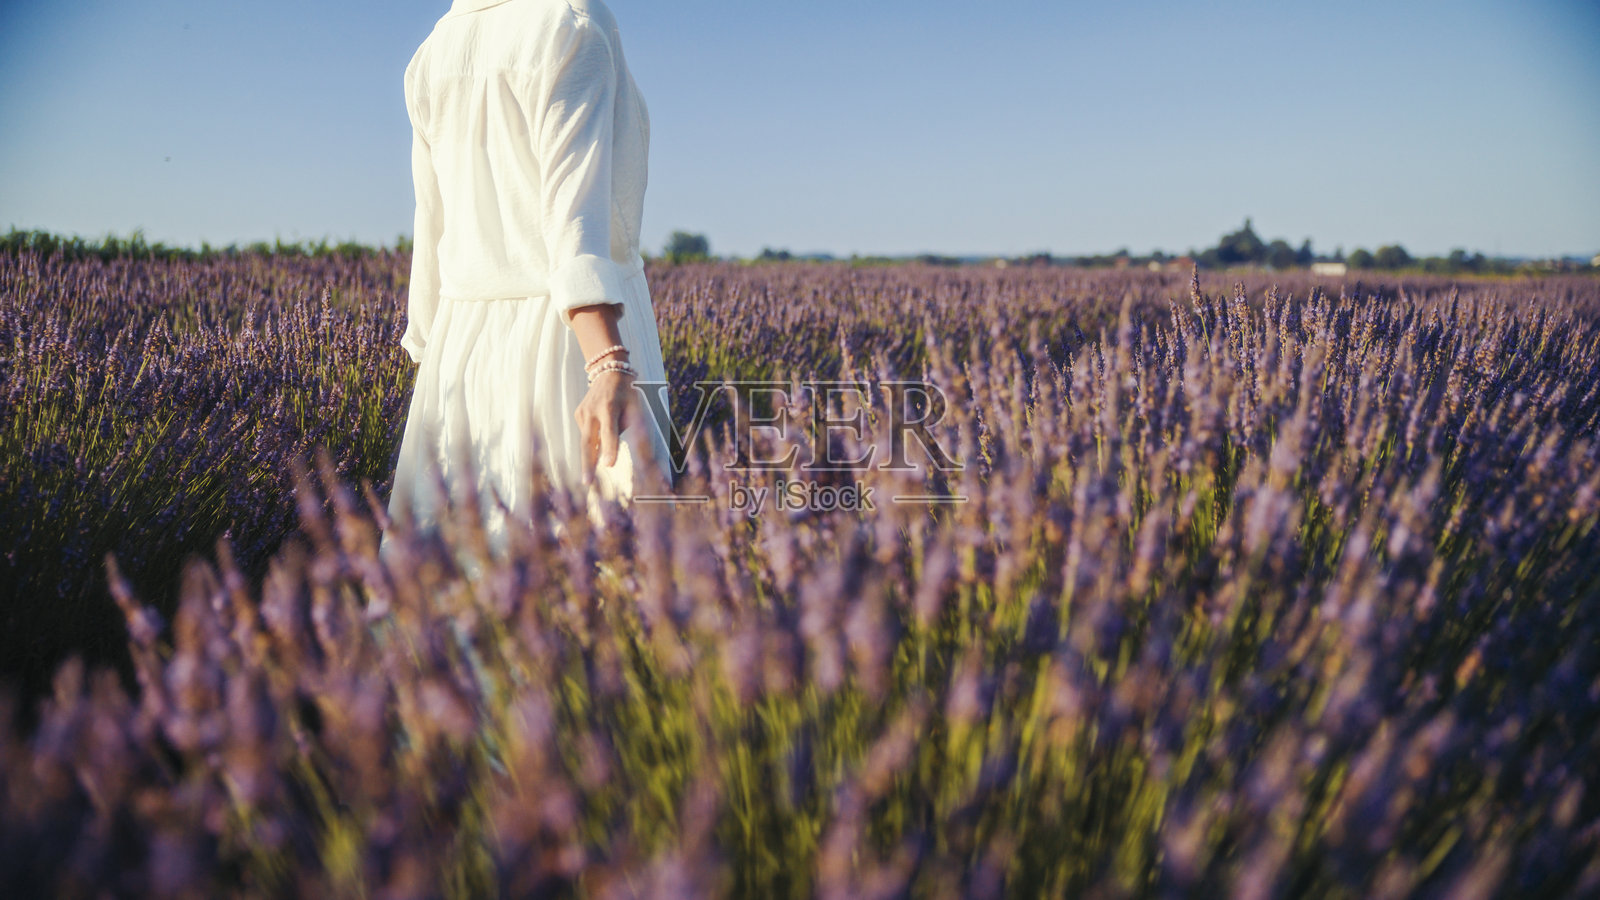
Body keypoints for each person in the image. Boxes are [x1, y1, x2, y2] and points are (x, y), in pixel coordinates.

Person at [382, 0, 673, 559]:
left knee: (461, 583)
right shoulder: (573, 25)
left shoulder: (433, 51)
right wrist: (608, 361)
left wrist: (429, 346)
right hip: (571, 340)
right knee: (602, 576)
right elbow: (574, 221)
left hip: (461, 346)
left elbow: (431, 221)